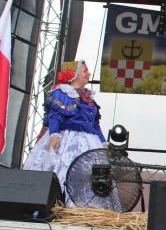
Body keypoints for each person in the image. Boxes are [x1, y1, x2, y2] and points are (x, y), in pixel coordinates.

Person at [23, 61, 106, 201]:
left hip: (89, 142)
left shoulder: (88, 96)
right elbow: (55, 115)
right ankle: (54, 201)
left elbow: (95, 124)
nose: (89, 74)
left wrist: (103, 142)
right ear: (74, 75)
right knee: (61, 168)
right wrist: (54, 134)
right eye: (85, 71)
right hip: (67, 138)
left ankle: (79, 205)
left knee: (87, 176)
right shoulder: (62, 92)